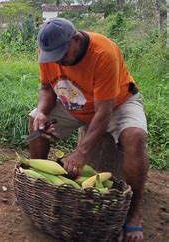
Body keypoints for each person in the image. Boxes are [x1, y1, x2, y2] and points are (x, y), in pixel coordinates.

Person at [28, 18, 148, 242]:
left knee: (135, 137)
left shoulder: (103, 52)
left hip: (117, 103)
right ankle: (39, 182)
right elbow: (46, 88)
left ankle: (133, 212)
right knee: (35, 121)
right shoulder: (50, 51)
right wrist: (43, 112)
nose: (58, 61)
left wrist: (82, 152)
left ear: (76, 39)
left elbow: (104, 111)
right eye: (53, 56)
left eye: (62, 54)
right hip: (74, 103)